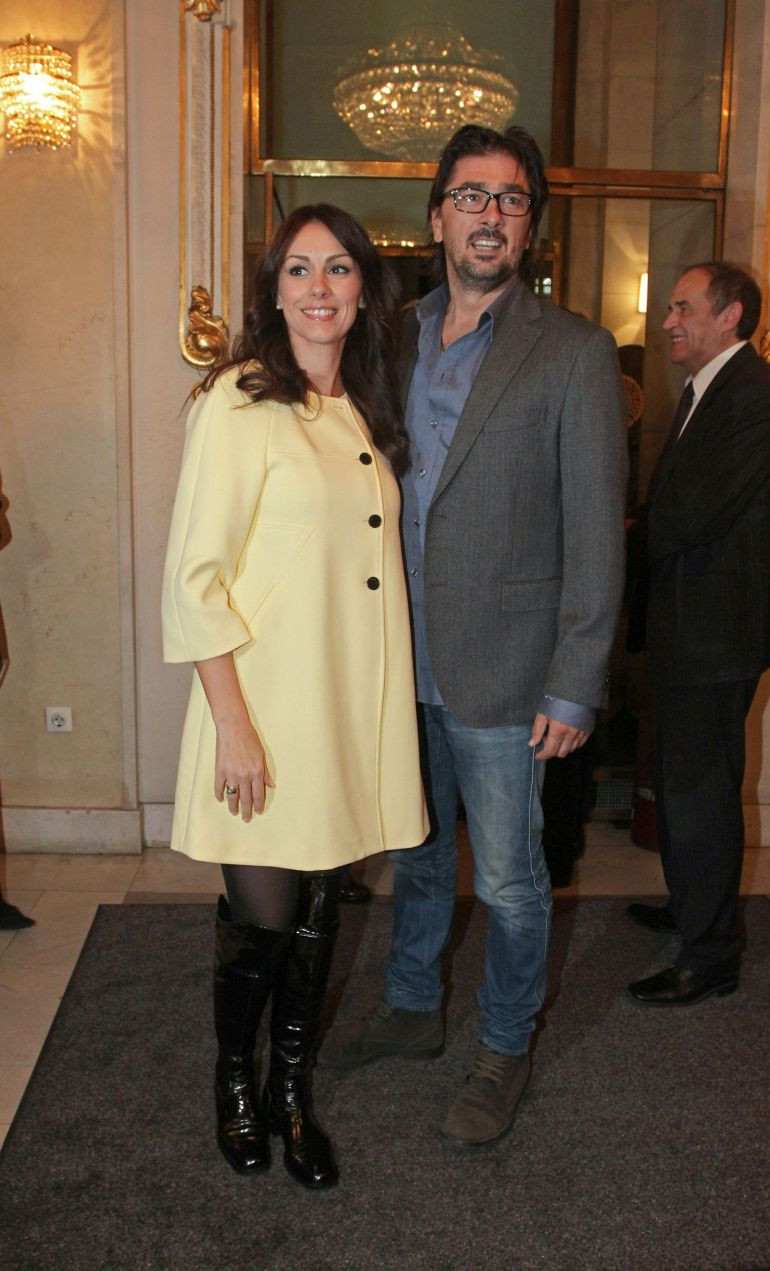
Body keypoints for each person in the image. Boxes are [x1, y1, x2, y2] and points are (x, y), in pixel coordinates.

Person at [320, 125, 628, 1145]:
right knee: (414, 856)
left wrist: (574, 681)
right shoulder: (389, 336)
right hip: (396, 661)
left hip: (506, 672)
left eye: (509, 198)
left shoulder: (574, 352)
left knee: (506, 877)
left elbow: (596, 531)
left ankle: (503, 1044)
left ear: (529, 225)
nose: (489, 214)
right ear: (437, 216)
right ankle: (413, 1007)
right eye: (470, 195)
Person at [162, 204, 428, 1188]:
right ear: (273, 289)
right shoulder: (238, 399)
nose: (320, 287)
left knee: (320, 911)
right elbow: (195, 578)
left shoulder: (362, 405)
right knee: (266, 913)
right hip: (263, 711)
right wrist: (233, 726)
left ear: (363, 289)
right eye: (300, 269)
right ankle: (234, 1080)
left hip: (343, 711)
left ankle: (289, 1091)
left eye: (339, 268)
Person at [626, 262, 770, 1006]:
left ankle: (710, 955)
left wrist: (613, 540)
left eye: (683, 308)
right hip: (688, 628)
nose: (668, 322)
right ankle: (691, 908)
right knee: (683, 785)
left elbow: (690, 513)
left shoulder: (753, 394)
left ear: (730, 315)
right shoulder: (707, 389)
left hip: (717, 635)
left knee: (701, 794)